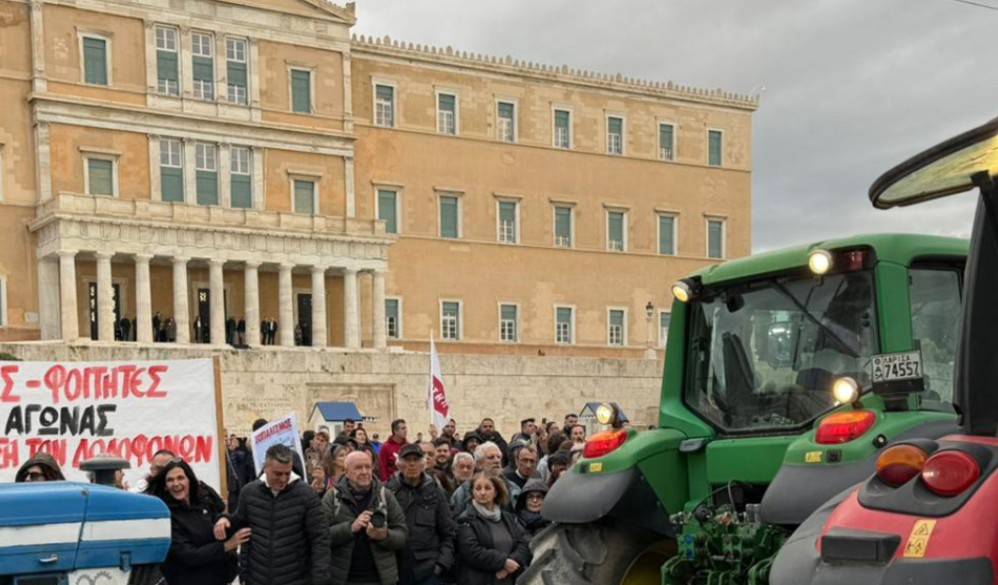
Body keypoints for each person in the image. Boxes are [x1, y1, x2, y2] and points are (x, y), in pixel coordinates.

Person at [214, 444, 330, 585]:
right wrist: (224, 520)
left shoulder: (306, 495)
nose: (283, 479)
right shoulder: (249, 492)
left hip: (295, 578)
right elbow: (239, 520)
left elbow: (320, 539)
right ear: (266, 468)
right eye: (277, 474)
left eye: (287, 473)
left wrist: (320, 579)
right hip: (256, 578)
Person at [150, 460, 249, 585]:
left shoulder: (202, 502)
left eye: (180, 478)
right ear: (165, 485)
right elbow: (189, 555)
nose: (176, 483)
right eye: (170, 480)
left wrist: (224, 519)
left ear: (190, 480)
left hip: (222, 578)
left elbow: (216, 517)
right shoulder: (166, 514)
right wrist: (227, 546)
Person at [324, 451, 408, 585]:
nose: (364, 472)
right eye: (358, 467)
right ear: (346, 471)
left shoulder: (385, 495)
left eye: (368, 467)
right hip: (344, 578)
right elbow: (321, 537)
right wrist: (350, 528)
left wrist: (384, 536)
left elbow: (402, 535)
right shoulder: (333, 498)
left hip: (379, 578)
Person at [387, 443, 457, 585]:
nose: (412, 464)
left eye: (416, 460)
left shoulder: (435, 491)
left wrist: (441, 565)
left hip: (428, 570)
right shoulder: (388, 491)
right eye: (407, 460)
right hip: (395, 569)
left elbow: (448, 532)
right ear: (399, 464)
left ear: (423, 464)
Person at [455, 472, 532, 584]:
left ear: (496, 492)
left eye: (487, 488)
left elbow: (524, 543)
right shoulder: (466, 519)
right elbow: (471, 551)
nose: (482, 492)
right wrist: (503, 562)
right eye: (478, 488)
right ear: (472, 492)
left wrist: (510, 563)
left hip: (509, 578)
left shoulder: (507, 518)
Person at [451, 442, 520, 518]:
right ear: (479, 464)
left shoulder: (513, 488)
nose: (496, 461)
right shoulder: (464, 490)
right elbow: (455, 519)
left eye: (498, 457)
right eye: (491, 457)